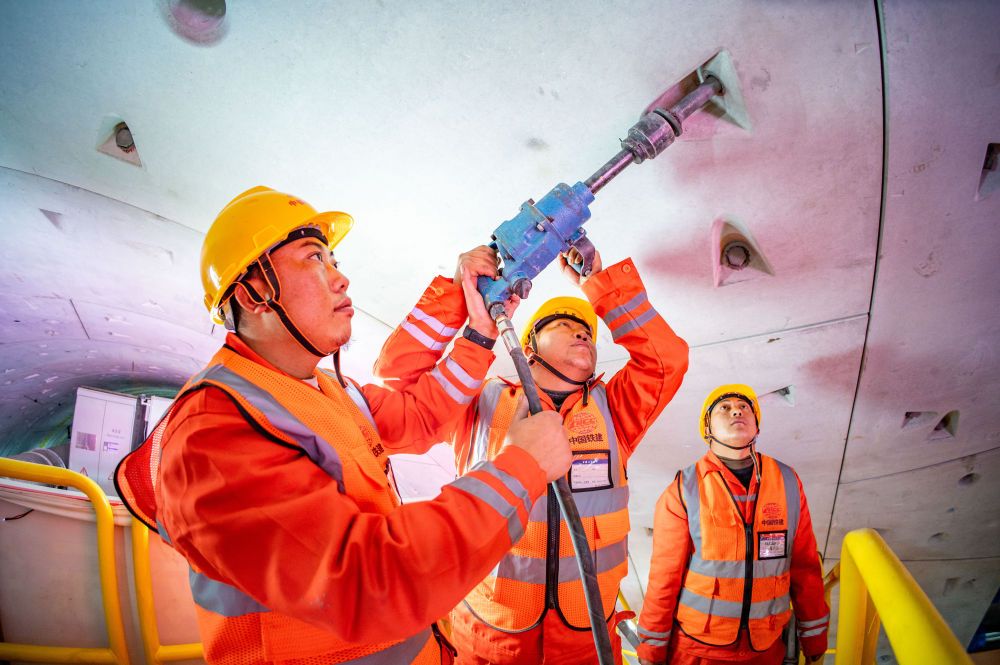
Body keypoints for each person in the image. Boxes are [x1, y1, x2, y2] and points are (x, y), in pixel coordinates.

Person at [114, 186, 573, 665]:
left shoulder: (328, 391)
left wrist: (477, 331)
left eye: (334, 260)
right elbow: (368, 582)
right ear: (253, 293)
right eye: (316, 259)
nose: (342, 278)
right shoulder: (212, 433)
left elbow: (419, 416)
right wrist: (522, 468)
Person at [374, 245, 690, 664]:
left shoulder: (615, 409)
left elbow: (668, 359)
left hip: (588, 639)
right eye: (565, 324)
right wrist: (458, 295)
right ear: (530, 345)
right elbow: (397, 387)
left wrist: (600, 285)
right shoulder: (480, 402)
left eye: (587, 332)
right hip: (491, 640)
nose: (582, 333)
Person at [636, 385, 829, 665]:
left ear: (756, 426)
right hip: (697, 652)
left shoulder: (787, 482)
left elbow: (804, 566)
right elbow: (664, 579)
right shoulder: (684, 489)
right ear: (707, 427)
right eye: (724, 408)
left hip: (766, 649)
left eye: (745, 407)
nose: (736, 410)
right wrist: (652, 649)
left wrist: (814, 636)